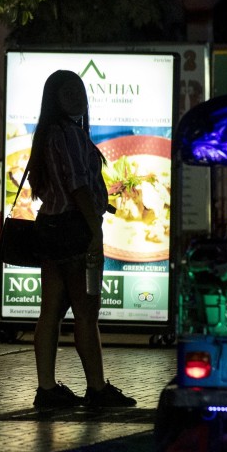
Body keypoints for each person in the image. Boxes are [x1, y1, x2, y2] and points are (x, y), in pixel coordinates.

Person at [26, 70, 136, 409]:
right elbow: (78, 186)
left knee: (50, 313)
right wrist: (94, 228)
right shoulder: (71, 134)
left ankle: (46, 389)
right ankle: (97, 389)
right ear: (54, 98)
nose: (77, 97)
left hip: (50, 227)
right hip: (77, 230)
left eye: (79, 90)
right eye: (67, 91)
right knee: (87, 312)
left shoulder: (47, 134)